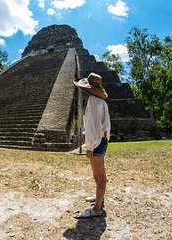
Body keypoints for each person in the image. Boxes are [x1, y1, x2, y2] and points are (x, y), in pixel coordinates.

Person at [73, 72, 111, 218]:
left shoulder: (93, 102)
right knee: (101, 175)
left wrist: (91, 146)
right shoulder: (101, 102)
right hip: (103, 140)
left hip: (97, 142)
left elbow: (92, 127)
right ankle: (99, 197)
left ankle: (97, 209)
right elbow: (106, 125)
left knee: (99, 177)